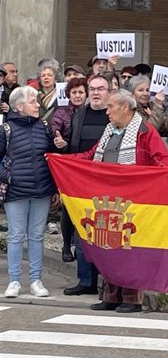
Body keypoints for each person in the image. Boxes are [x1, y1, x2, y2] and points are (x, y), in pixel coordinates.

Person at [73, 89, 168, 313]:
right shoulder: (110, 130)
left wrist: (151, 184)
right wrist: (62, 160)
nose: (107, 111)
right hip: (107, 198)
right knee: (109, 246)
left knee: (129, 248)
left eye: (111, 107)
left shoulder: (146, 131)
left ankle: (132, 297)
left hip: (133, 201)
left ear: (125, 107)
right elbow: (90, 156)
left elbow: (164, 162)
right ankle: (111, 294)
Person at [2, 86, 64, 298]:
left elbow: (50, 156)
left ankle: (36, 280)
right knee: (16, 236)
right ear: (19, 106)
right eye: (33, 101)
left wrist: (59, 147)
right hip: (15, 190)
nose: (38, 105)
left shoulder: (44, 127)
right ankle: (14, 281)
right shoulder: (5, 129)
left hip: (41, 189)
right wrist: (8, 177)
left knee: (37, 236)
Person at [62, 74, 115, 296]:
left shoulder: (115, 116)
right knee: (83, 231)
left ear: (109, 92)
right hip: (82, 182)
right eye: (92, 89)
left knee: (107, 233)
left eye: (100, 89)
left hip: (108, 182)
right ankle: (86, 280)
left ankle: (110, 282)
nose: (95, 93)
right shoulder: (79, 115)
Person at [50, 76, 88, 262]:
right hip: (68, 164)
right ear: (68, 95)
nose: (78, 95)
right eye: (74, 92)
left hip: (88, 164)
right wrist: (60, 142)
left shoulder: (91, 112)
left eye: (81, 92)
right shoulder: (62, 112)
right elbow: (54, 128)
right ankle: (66, 245)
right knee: (68, 207)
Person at [37, 58, 61, 123]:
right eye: (43, 76)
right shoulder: (35, 95)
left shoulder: (61, 95)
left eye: (50, 75)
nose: (46, 77)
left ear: (55, 78)